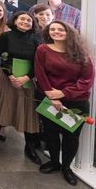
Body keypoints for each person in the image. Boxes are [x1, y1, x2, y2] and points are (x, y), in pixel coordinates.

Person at [35, 21, 94, 185]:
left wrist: (63, 93)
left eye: (60, 29)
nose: (56, 32)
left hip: (77, 101)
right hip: (50, 99)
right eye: (52, 29)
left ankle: (66, 168)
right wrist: (52, 97)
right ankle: (54, 162)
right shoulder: (42, 50)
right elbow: (40, 74)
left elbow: (86, 80)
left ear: (69, 32)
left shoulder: (81, 53)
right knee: (50, 134)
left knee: (71, 137)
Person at [0, 11, 42, 165]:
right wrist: (10, 75)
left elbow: (38, 63)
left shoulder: (37, 39)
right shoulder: (6, 36)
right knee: (1, 108)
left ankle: (29, 147)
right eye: (22, 19)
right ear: (15, 21)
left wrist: (26, 77)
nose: (25, 22)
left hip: (27, 80)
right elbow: (0, 57)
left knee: (28, 112)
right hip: (6, 78)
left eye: (29, 20)